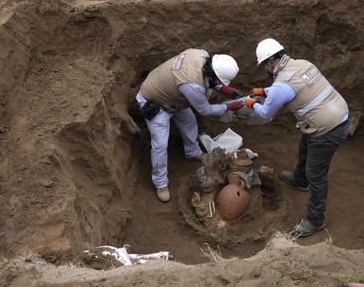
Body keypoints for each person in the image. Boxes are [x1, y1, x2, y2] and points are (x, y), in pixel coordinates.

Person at [245, 38, 350, 237]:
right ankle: (300, 179)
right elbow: (291, 88)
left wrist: (252, 103)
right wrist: (263, 91)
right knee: (305, 145)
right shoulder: (303, 64)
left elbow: (267, 112)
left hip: (327, 130)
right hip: (339, 114)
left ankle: (316, 219)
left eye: (263, 67)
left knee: (317, 175)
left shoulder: (281, 85)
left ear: (269, 64)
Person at [136, 48, 244, 202]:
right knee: (160, 144)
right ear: (213, 73)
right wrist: (229, 106)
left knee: (189, 122)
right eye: (220, 81)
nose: (219, 84)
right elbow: (205, 110)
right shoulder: (191, 85)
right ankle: (160, 183)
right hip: (155, 102)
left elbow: (210, 79)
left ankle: (192, 152)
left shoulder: (203, 55)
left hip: (174, 95)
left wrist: (225, 89)